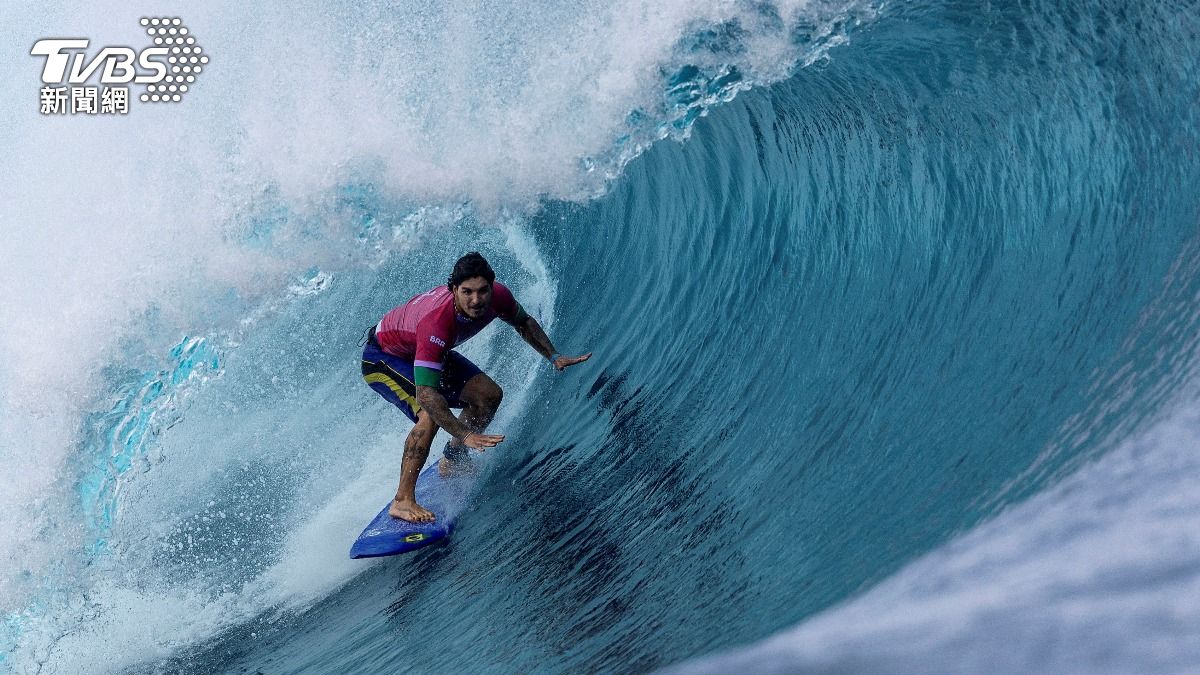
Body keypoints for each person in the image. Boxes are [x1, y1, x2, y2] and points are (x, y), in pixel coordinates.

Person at [361, 252, 591, 523]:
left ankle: (453, 459)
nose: (476, 300)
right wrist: (466, 433)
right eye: (467, 292)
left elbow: (524, 322)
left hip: (422, 351)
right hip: (384, 358)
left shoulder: (499, 297)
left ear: (492, 287)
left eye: (483, 291)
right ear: (453, 290)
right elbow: (426, 394)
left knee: (488, 395)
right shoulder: (436, 322)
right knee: (430, 413)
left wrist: (553, 355)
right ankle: (402, 501)